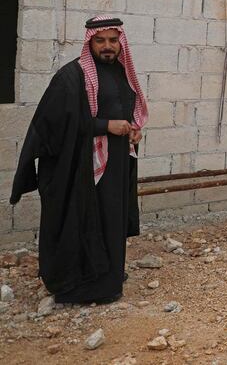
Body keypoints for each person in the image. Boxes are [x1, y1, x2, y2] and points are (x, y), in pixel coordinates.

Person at [11, 15, 148, 304]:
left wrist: (132, 131)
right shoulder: (71, 77)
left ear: (121, 41)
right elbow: (57, 124)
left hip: (116, 166)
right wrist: (104, 126)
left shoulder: (122, 73)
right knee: (82, 219)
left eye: (113, 40)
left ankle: (109, 279)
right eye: (100, 40)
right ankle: (79, 286)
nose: (107, 46)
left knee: (111, 219)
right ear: (90, 41)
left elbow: (126, 110)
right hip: (80, 169)